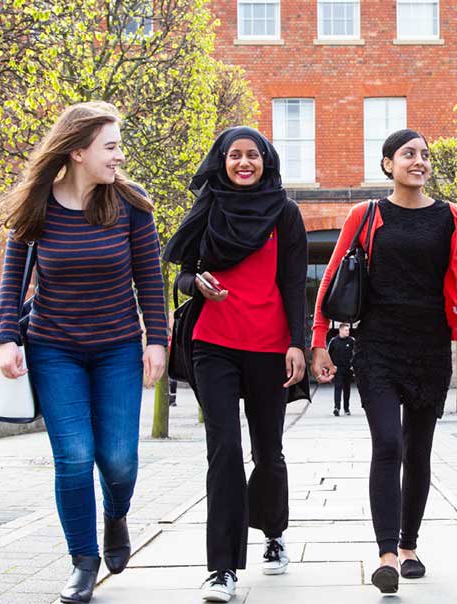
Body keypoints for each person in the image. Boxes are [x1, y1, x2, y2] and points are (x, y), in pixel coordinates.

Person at [0, 102, 167, 604]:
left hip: (116, 348)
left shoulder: (131, 206)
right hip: (54, 349)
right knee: (72, 457)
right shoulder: (37, 206)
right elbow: (13, 279)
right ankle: (83, 562)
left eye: (118, 146)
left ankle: (116, 515)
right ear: (77, 151)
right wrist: (7, 336)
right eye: (110, 147)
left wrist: (156, 339)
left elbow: (148, 280)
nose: (119, 155)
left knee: (118, 461)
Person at [311, 129, 457, 595]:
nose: (419, 161)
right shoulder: (366, 215)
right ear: (388, 163)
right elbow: (332, 279)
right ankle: (387, 555)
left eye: (425, 155)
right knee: (388, 444)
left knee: (418, 451)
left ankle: (410, 545)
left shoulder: (450, 218)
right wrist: (318, 340)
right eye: (408, 154)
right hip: (378, 349)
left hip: (430, 349)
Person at [163, 126, 307, 603]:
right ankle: (221, 569)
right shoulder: (207, 208)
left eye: (252, 155)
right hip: (213, 343)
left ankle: (272, 531)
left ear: (266, 160)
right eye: (234, 155)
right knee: (224, 449)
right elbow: (181, 271)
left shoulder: (285, 214)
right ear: (221, 161)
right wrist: (194, 285)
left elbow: (292, 284)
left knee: (268, 451)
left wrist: (297, 344)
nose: (244, 163)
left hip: (268, 345)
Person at [327, 323, 355, 416]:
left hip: (348, 369)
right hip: (337, 369)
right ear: (341, 330)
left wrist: (353, 365)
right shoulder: (334, 341)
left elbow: (356, 354)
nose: (348, 332)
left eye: (348, 330)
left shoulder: (351, 341)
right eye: (346, 330)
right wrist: (331, 367)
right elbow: (328, 355)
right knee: (338, 388)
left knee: (347, 389)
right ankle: (337, 408)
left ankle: (346, 408)